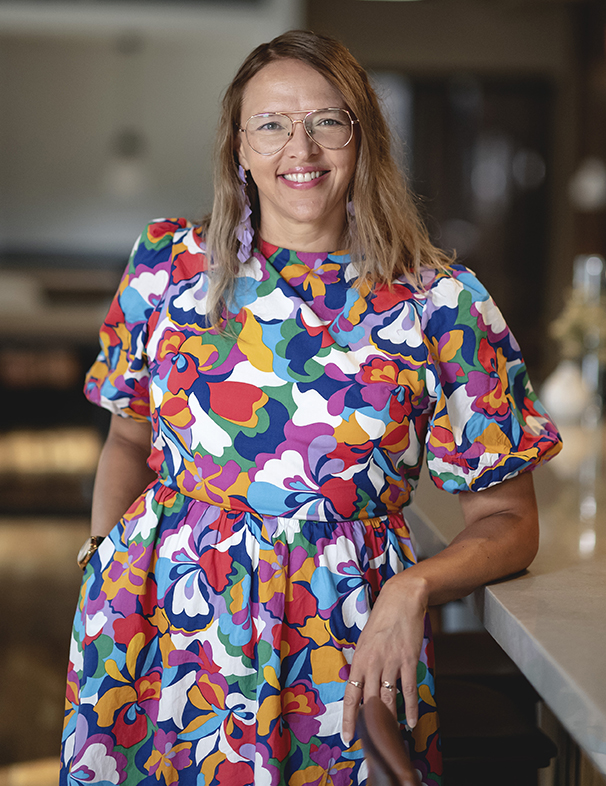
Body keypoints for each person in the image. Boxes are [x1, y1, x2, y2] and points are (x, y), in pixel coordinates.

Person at [61, 30, 562, 786]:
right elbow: (129, 439)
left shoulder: (441, 300)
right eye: (272, 124)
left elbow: (512, 522)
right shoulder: (167, 266)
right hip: (157, 636)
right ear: (240, 145)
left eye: (327, 120)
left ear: (364, 139)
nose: (301, 146)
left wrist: (413, 586)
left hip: (342, 651)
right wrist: (103, 563)